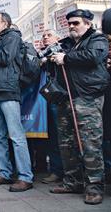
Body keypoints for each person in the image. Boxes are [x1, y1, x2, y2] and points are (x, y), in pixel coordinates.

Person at [49, 9, 110, 205]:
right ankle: (72, 181)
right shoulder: (67, 43)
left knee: (90, 143)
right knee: (66, 143)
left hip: (88, 98)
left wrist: (66, 58)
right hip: (65, 98)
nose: (72, 26)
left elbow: (93, 57)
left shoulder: (98, 39)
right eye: (70, 24)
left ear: (88, 24)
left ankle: (94, 187)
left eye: (76, 23)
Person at [0, 12, 34, 192]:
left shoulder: (12, 37)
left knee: (16, 136)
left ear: (5, 23)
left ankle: (25, 177)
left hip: (8, 92)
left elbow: (5, 59)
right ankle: (4, 173)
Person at [39, 29, 64, 184]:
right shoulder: (42, 55)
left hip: (60, 99)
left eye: (49, 35)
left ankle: (70, 171)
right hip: (46, 100)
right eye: (43, 36)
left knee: (63, 136)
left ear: (57, 38)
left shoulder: (62, 52)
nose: (46, 38)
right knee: (52, 136)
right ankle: (56, 170)